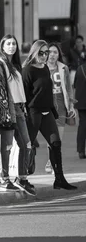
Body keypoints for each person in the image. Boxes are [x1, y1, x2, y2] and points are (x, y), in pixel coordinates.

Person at [22, 41, 77, 191]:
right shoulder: (28, 70)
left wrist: (53, 110)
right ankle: (21, 178)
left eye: (47, 52)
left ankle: (59, 179)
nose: (45, 56)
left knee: (56, 144)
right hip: (33, 113)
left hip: (47, 112)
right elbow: (25, 96)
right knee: (27, 146)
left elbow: (47, 92)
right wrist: (25, 114)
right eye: (42, 52)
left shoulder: (45, 68)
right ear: (34, 52)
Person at [0, 35, 34, 195]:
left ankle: (22, 178)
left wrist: (23, 108)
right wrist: (3, 113)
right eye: (8, 44)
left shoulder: (15, 65)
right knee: (7, 146)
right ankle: (4, 179)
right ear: (2, 46)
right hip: (7, 109)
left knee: (26, 144)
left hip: (19, 108)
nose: (11, 46)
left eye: (14, 43)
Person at [46, 43, 76, 173]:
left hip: (60, 105)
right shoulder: (41, 67)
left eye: (55, 52)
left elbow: (69, 88)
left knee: (58, 138)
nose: (52, 55)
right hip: (46, 105)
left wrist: (71, 106)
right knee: (50, 137)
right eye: (50, 52)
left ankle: (54, 162)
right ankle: (50, 160)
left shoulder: (63, 68)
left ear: (59, 55)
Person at [74, 59, 86, 159]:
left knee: (82, 125)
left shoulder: (80, 68)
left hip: (81, 102)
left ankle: (81, 150)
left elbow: (75, 84)